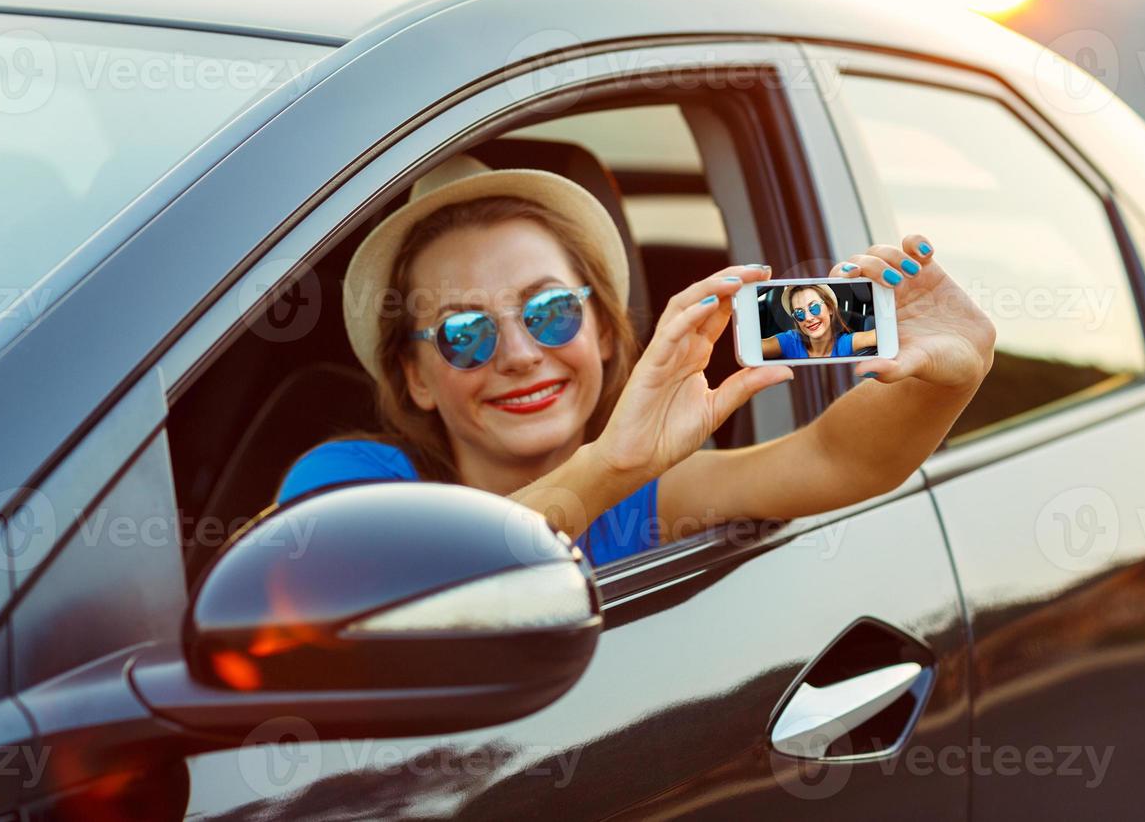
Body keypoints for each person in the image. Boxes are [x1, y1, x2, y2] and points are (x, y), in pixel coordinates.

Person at [276, 154, 996, 567]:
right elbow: (401, 588)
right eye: (465, 333)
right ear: (415, 378)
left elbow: (839, 459)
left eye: (550, 312)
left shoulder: (653, 495)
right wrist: (611, 466)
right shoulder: (347, 487)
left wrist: (949, 379)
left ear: (608, 335)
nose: (522, 355)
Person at [762, 283, 878, 360]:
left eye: (814, 308)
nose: (808, 318)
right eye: (799, 313)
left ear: (830, 308)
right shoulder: (790, 341)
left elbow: (885, 335)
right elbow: (752, 348)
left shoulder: (844, 344)